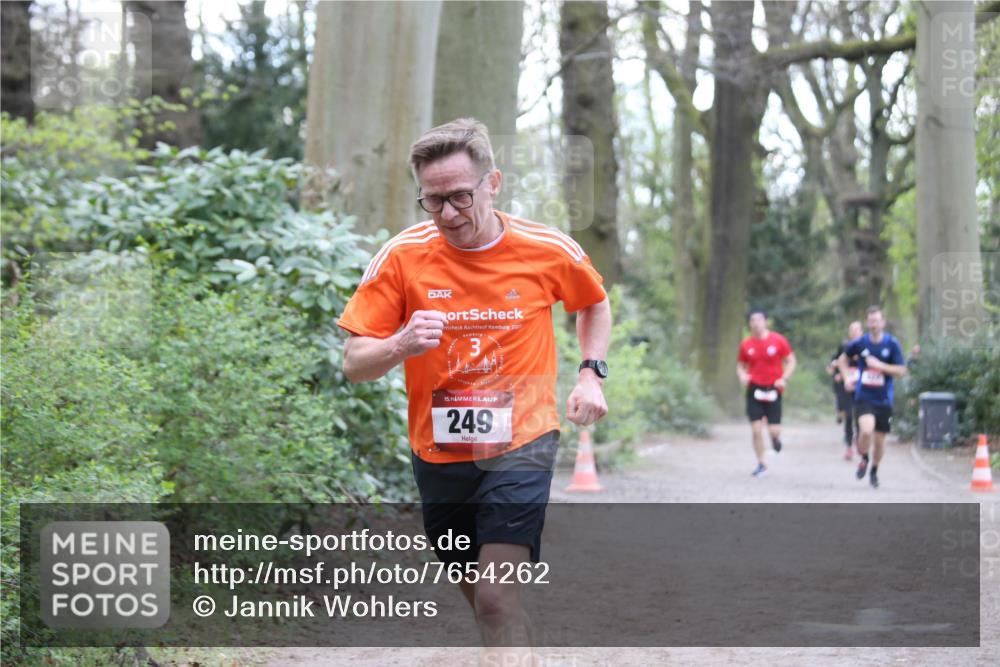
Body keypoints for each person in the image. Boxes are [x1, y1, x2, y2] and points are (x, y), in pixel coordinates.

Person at [337, 118, 611, 661]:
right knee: (485, 600)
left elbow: (593, 302)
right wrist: (400, 344)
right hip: (439, 451)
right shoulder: (401, 257)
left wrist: (590, 374)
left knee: (492, 598)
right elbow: (355, 363)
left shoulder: (546, 248)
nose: (447, 214)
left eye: (460, 196)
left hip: (523, 440)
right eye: (432, 201)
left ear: (492, 184)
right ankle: (517, 643)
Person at [838, 305, 907, 489]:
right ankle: (864, 458)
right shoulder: (860, 343)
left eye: (876, 320)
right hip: (864, 396)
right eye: (870, 321)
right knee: (866, 431)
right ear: (867, 323)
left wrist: (880, 365)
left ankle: (874, 470)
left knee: (879, 441)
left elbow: (901, 370)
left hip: (884, 399)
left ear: (883, 322)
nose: (873, 324)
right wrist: (846, 378)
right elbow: (842, 360)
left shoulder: (892, 344)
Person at [737, 310, 797, 477]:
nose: (755, 323)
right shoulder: (746, 345)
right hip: (754, 389)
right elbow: (740, 365)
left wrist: (784, 378)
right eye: (752, 321)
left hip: (774, 389)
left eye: (758, 320)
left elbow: (791, 360)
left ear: (765, 322)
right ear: (749, 324)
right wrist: (742, 375)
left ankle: (775, 439)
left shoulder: (778, 340)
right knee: (756, 429)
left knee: (774, 430)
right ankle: (761, 463)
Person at [826, 321, 863, 460]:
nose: (854, 332)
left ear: (861, 331)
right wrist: (838, 372)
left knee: (860, 415)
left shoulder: (866, 345)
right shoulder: (844, 346)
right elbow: (835, 361)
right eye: (851, 329)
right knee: (848, 415)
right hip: (846, 385)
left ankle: (859, 442)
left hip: (861, 385)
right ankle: (849, 446)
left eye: (856, 329)